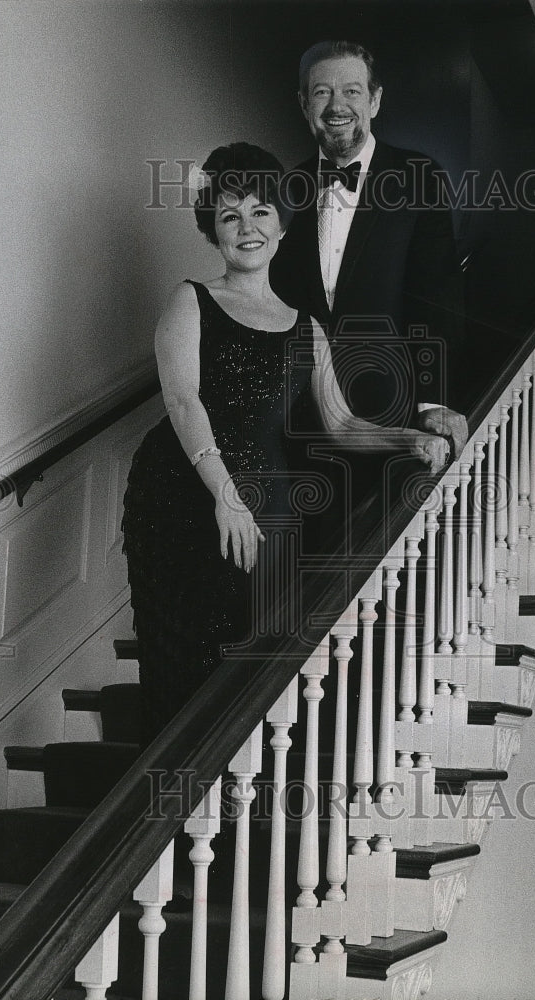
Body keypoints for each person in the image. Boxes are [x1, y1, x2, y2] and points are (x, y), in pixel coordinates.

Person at [122, 142, 450, 744]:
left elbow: (342, 425)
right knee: (186, 660)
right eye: (229, 216)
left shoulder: (308, 327)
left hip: (266, 502)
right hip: (187, 495)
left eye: (259, 212)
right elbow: (183, 402)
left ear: (279, 224)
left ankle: (224, 817)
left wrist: (411, 435)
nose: (246, 228)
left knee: (251, 654)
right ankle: (173, 808)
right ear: (213, 232)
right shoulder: (190, 300)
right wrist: (225, 497)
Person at [270, 40, 469, 521]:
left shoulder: (419, 176)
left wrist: (432, 401)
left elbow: (436, 297)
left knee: (390, 571)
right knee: (308, 578)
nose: (337, 106)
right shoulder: (283, 189)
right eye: (321, 92)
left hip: (392, 415)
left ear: (374, 101)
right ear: (304, 104)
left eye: (351, 91)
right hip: (300, 424)